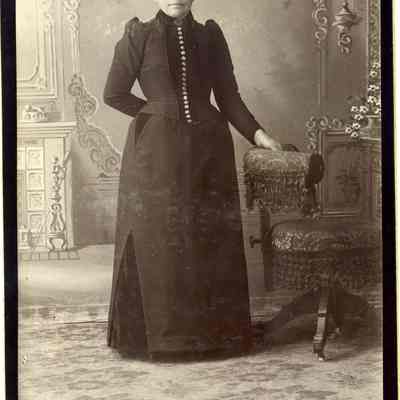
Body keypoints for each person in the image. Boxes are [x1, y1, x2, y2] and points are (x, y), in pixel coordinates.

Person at [103, 0, 281, 360]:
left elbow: (229, 97)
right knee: (163, 243)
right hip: (156, 157)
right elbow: (113, 93)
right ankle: (165, 339)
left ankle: (213, 337)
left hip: (209, 153)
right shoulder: (138, 34)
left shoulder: (209, 36)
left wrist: (261, 136)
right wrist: (157, 114)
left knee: (208, 239)